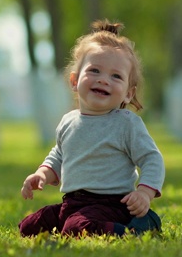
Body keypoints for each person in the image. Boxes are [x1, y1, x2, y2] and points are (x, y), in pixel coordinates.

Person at [19, 20, 164, 237]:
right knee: (29, 226)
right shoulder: (69, 121)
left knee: (75, 228)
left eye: (116, 76)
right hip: (72, 203)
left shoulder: (125, 123)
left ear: (128, 93)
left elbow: (152, 159)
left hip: (113, 204)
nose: (104, 80)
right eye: (94, 71)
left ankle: (131, 229)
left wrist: (144, 193)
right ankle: (121, 225)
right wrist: (42, 174)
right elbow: (58, 156)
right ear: (75, 81)